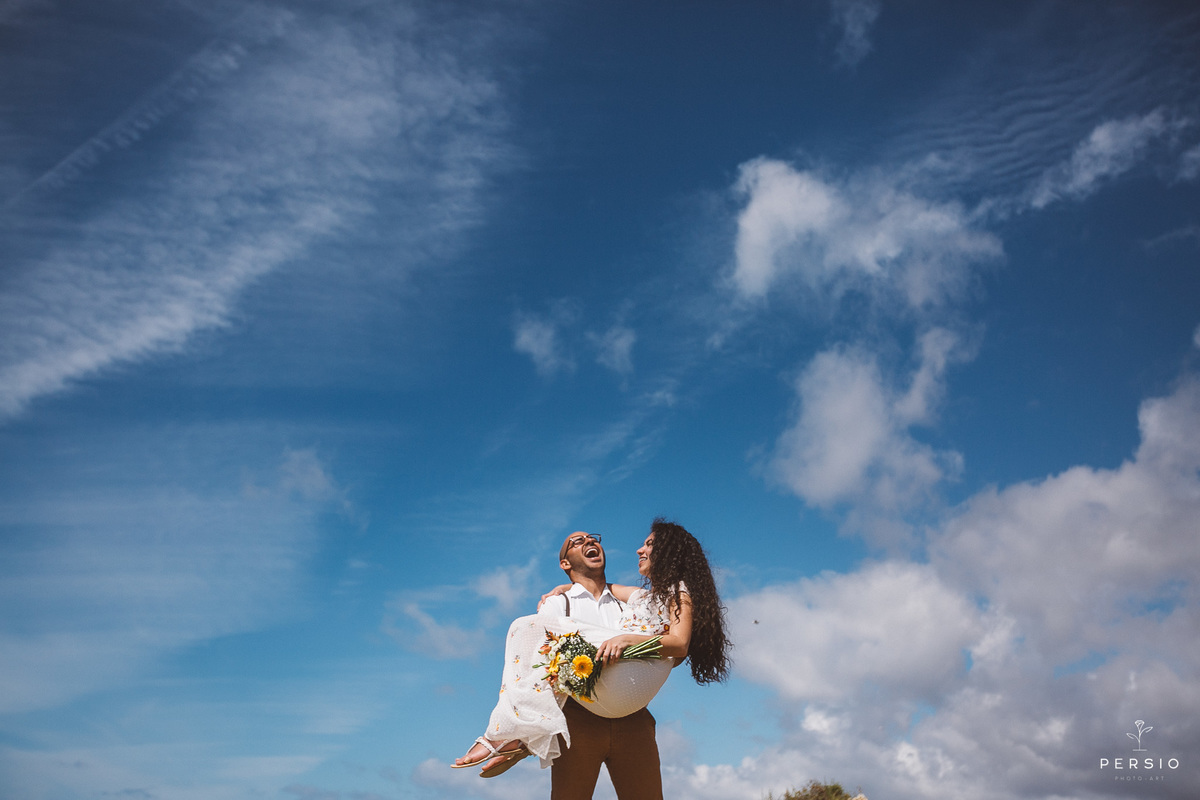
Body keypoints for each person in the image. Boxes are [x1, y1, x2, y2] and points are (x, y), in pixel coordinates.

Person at [452, 518, 731, 800]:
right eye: (577, 541)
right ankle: (515, 733)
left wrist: (630, 641)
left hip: (633, 718)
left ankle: (519, 736)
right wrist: (565, 588)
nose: (589, 541)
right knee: (528, 629)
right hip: (578, 720)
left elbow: (672, 637)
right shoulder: (558, 604)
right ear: (565, 564)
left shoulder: (633, 601)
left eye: (592, 538)